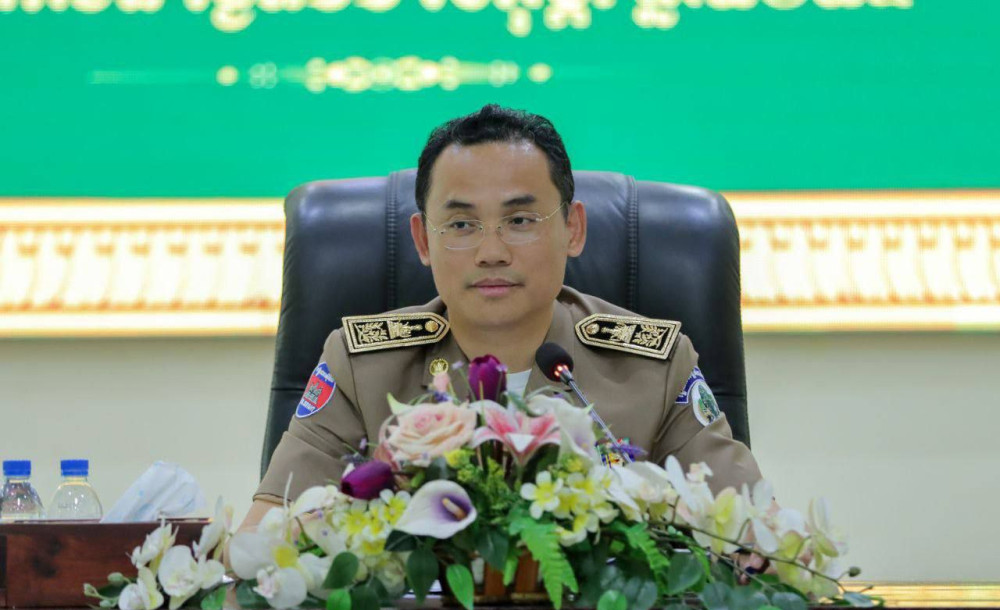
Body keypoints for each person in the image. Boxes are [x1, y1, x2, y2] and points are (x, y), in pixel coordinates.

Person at [240, 104, 763, 532]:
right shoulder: (361, 366)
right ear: (423, 241)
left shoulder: (654, 365)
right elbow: (265, 536)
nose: (491, 252)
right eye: (461, 225)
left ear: (573, 229)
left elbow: (752, 528)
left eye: (520, 220)